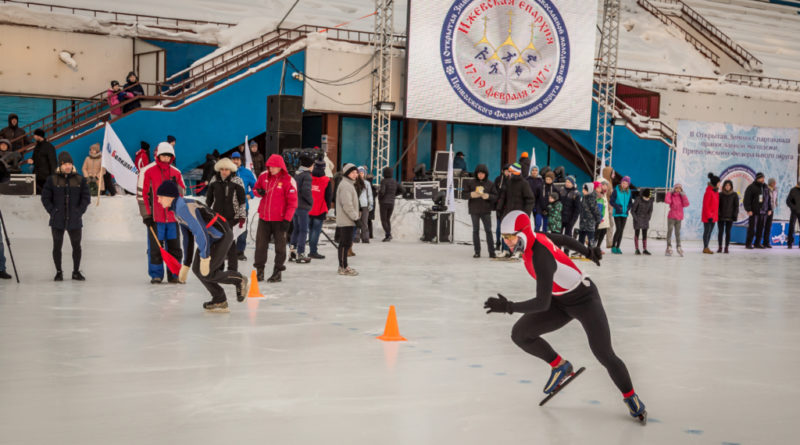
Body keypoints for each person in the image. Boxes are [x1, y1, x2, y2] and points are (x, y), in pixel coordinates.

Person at [484, 211, 646, 421]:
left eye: (510, 237)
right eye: (504, 237)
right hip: (559, 301)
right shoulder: (536, 238)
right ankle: (560, 366)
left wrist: (509, 307)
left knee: (604, 353)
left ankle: (630, 396)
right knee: (520, 334)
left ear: (523, 233)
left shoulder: (540, 257)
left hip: (584, 299)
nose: (507, 242)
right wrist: (587, 250)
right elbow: (563, 239)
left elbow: (541, 303)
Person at [155, 181, 248, 313]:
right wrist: (186, 264)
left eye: (160, 196)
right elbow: (187, 237)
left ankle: (238, 279)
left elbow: (200, 232)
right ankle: (219, 299)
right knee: (197, 270)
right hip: (210, 238)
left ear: (170, 196)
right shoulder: (177, 210)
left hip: (222, 236)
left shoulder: (183, 208)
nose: (158, 200)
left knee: (208, 272)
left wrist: (205, 257)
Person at [137, 142, 186, 284]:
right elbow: (142, 195)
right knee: (155, 248)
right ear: (158, 155)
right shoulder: (147, 171)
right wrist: (146, 215)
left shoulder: (176, 173)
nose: (165, 159)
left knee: (175, 248)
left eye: (168, 156)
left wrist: (175, 185)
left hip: (172, 218)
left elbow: (182, 194)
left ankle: (175, 273)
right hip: (155, 219)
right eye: (163, 156)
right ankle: (156, 274)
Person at [41, 152, 90, 281]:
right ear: (60, 165)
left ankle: (75, 272)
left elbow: (86, 198)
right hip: (57, 219)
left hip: (75, 219)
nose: (68, 166)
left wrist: (79, 211)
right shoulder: (52, 180)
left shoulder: (80, 179)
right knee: (57, 246)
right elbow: (45, 198)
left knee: (76, 246)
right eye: (65, 164)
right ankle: (58, 272)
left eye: (69, 164)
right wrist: (53, 211)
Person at [253, 154, 297, 282]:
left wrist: (287, 220)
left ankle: (277, 272)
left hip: (280, 220)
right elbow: (255, 189)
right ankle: (259, 271)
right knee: (260, 246)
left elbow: (293, 203)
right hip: (264, 219)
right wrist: (258, 192)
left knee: (280, 247)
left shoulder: (289, 180)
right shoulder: (263, 176)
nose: (270, 169)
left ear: (280, 167)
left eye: (273, 166)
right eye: (269, 166)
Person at [205, 157, 247, 272]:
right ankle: (219, 267)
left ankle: (232, 269)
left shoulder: (237, 181)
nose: (224, 172)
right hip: (217, 218)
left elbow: (242, 201)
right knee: (218, 244)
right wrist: (206, 214)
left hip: (232, 218)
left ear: (231, 170)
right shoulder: (214, 180)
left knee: (231, 244)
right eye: (222, 169)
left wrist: (242, 216)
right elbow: (209, 200)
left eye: (227, 169)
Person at [466, 164, 497, 258]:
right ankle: (477, 251)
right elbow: (464, 194)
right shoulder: (471, 183)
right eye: (479, 173)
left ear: (486, 174)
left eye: (483, 174)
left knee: (488, 230)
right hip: (474, 210)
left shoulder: (490, 184)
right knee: (475, 230)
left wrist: (488, 196)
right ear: (476, 173)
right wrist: (471, 194)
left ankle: (492, 252)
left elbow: (495, 196)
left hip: (486, 210)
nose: (481, 175)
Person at [336, 163, 361, 276]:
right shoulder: (345, 185)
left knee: (345, 244)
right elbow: (347, 205)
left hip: (348, 220)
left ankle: (344, 265)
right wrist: (355, 218)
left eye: (356, 172)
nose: (356, 174)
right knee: (345, 244)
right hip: (346, 220)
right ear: (347, 173)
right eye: (353, 172)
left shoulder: (349, 184)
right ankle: (343, 267)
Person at [230, 152, 256, 260]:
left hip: (243, 207)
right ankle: (229, 252)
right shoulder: (227, 171)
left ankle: (240, 252)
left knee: (242, 230)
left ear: (241, 160)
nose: (236, 161)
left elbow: (257, 187)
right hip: (228, 207)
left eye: (238, 159)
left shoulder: (247, 173)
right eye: (234, 159)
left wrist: (250, 195)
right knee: (229, 230)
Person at [290, 155, 314, 264]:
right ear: (309, 166)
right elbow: (306, 191)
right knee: (304, 230)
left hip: (295, 205)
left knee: (296, 229)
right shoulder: (307, 176)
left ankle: (292, 251)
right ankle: (301, 253)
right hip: (303, 206)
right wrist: (310, 202)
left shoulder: (297, 174)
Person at [309, 160, 333, 259]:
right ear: (324, 168)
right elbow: (328, 197)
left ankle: (311, 249)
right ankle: (313, 251)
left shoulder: (309, 178)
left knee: (310, 229)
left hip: (308, 208)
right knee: (316, 230)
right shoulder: (326, 180)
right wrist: (327, 208)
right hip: (320, 208)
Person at [743, 173, 770, 249]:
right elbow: (747, 199)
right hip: (754, 212)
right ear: (757, 178)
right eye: (761, 178)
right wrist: (748, 209)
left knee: (760, 229)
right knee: (752, 229)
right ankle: (748, 244)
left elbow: (768, 199)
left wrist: (769, 208)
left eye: (763, 178)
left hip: (763, 212)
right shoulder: (751, 187)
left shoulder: (765, 187)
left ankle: (757, 243)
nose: (763, 179)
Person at [377, 166, 403, 242]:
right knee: (387, 219)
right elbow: (403, 190)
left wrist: (379, 197)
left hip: (384, 203)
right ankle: (388, 235)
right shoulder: (394, 181)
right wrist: (394, 194)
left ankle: (388, 235)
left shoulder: (384, 181)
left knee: (383, 220)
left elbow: (382, 191)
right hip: (391, 202)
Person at [664, 183, 689, 257]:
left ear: (681, 189)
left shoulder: (682, 196)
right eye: (676, 188)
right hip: (671, 216)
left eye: (679, 188)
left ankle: (679, 247)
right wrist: (669, 193)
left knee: (677, 233)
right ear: (674, 189)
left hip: (679, 217)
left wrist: (684, 195)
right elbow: (667, 201)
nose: (678, 189)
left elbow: (686, 204)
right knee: (670, 231)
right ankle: (669, 247)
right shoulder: (671, 195)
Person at [610, 176, 633, 254]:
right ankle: (613, 246)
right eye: (623, 183)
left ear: (628, 184)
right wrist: (617, 207)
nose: (624, 184)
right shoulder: (616, 190)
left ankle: (618, 247)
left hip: (624, 214)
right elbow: (611, 201)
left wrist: (628, 208)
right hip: (617, 213)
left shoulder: (629, 191)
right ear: (621, 182)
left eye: (626, 183)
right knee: (618, 229)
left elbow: (630, 203)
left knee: (621, 230)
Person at [577, 183, 602, 254]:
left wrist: (598, 219)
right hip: (583, 221)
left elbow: (595, 210)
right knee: (581, 237)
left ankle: (591, 252)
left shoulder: (591, 199)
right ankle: (580, 251)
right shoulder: (584, 197)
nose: (583, 191)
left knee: (591, 238)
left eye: (584, 190)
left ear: (589, 190)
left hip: (589, 222)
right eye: (583, 189)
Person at [31, 129, 57, 194]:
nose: (34, 137)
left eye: (35, 135)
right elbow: (35, 159)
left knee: (47, 196)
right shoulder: (36, 146)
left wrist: (53, 177)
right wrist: (32, 161)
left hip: (46, 178)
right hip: (37, 177)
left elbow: (53, 162)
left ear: (39, 136)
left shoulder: (49, 147)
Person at [559, 176, 581, 248]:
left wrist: (573, 221)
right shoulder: (562, 190)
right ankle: (557, 250)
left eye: (569, 182)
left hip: (569, 219)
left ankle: (566, 251)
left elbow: (577, 209)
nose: (567, 183)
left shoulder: (576, 193)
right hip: (560, 218)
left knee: (568, 237)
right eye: (566, 182)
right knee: (558, 236)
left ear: (573, 183)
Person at [717, 180, 739, 254]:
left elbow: (736, 207)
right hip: (721, 217)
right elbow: (717, 206)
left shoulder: (734, 195)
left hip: (730, 217)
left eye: (729, 185)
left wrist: (735, 215)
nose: (727, 187)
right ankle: (720, 247)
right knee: (720, 232)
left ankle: (726, 247)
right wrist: (718, 214)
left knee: (728, 232)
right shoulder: (720, 194)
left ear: (731, 186)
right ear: (724, 186)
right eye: (726, 185)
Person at [701, 173, 720, 254]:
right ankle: (705, 247)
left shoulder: (715, 192)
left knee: (709, 232)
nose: (720, 183)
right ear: (716, 183)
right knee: (707, 232)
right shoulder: (709, 192)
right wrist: (709, 216)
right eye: (719, 182)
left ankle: (707, 246)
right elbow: (706, 205)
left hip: (713, 216)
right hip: (708, 216)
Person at [630, 188, 654, 255]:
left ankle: (644, 249)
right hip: (637, 218)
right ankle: (637, 249)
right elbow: (632, 210)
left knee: (644, 234)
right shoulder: (638, 199)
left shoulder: (650, 201)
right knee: (637, 233)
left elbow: (650, 210)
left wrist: (648, 217)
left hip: (645, 219)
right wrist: (636, 218)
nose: (649, 195)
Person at [354, 166, 373, 244]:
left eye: (362, 173)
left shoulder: (367, 183)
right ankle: (356, 237)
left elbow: (370, 194)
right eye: (360, 173)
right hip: (356, 204)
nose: (361, 174)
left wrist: (371, 203)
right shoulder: (354, 182)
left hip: (364, 204)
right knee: (357, 221)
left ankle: (365, 238)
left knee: (364, 222)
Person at [494, 164, 511, 251]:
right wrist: (496, 206)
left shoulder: (512, 181)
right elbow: (494, 192)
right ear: (503, 171)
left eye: (509, 171)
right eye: (506, 170)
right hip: (499, 207)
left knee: (506, 228)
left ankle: (505, 246)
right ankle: (497, 243)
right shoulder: (498, 179)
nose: (508, 172)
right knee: (498, 227)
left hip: (508, 208)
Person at [762, 178, 778, 248]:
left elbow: (775, 198)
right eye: (773, 182)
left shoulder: (775, 190)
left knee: (768, 227)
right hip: (766, 210)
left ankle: (767, 242)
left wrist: (776, 203)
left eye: (775, 182)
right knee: (763, 226)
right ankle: (761, 242)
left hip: (772, 209)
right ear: (770, 183)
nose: (775, 183)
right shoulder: (766, 189)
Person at [527, 165, 544, 231]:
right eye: (533, 170)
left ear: (538, 172)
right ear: (531, 171)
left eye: (536, 170)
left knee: (538, 223)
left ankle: (536, 236)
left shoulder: (541, 181)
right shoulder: (527, 180)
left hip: (537, 204)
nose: (534, 172)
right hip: (528, 202)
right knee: (525, 222)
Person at [595, 180, 611, 251]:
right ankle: (594, 246)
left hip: (605, 218)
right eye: (604, 185)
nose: (605, 187)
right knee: (597, 233)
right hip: (599, 217)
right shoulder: (598, 195)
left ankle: (598, 246)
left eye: (606, 186)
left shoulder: (605, 194)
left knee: (603, 232)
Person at [787, 179, 800, 249]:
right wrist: (793, 208)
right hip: (794, 212)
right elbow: (788, 201)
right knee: (791, 227)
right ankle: (790, 243)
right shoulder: (793, 190)